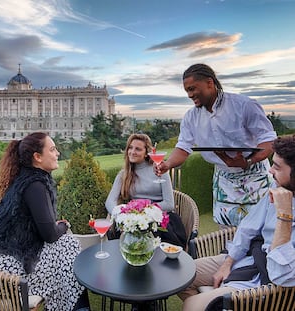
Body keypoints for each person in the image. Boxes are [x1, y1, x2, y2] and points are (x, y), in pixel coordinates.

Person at [0, 132, 90, 311]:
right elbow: (49, 235)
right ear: (38, 157)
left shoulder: (27, 178)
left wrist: (58, 229)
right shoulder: (35, 185)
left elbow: (43, 229)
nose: (58, 154)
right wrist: (64, 226)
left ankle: (74, 306)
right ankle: (77, 307)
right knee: (68, 249)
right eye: (53, 149)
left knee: (66, 248)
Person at [178, 135, 295, 311]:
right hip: (249, 258)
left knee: (192, 305)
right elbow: (248, 227)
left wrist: (284, 215)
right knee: (181, 275)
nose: (270, 171)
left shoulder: (284, 202)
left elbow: (280, 275)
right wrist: (228, 263)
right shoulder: (277, 189)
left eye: (277, 167)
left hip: (268, 282)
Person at [157, 63, 277, 228]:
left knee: (263, 228)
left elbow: (269, 139)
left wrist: (248, 161)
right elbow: (183, 147)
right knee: (226, 232)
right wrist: (168, 164)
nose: (190, 95)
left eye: (192, 89)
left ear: (209, 83)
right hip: (223, 179)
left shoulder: (244, 105)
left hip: (255, 176)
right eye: (187, 91)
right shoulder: (190, 117)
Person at [105, 133, 187, 248]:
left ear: (146, 153)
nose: (132, 152)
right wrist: (122, 214)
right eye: (130, 147)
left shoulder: (159, 170)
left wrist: (144, 211)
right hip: (133, 219)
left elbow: (169, 204)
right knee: (118, 237)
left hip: (160, 219)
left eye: (138, 149)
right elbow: (109, 202)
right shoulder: (123, 174)